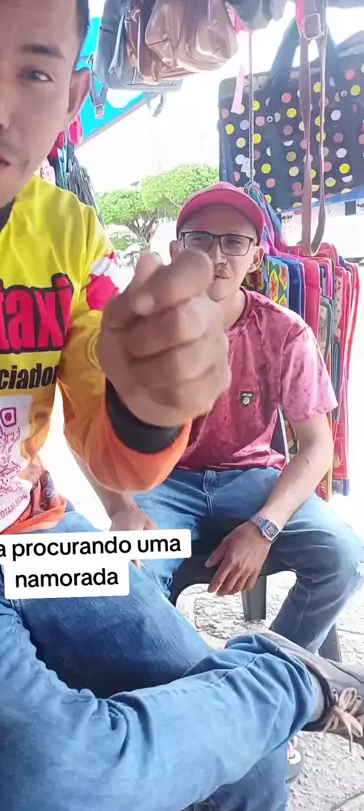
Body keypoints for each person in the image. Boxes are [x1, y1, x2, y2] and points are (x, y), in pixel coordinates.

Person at [0, 0, 363, 811]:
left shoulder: (70, 229)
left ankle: (253, 702)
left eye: (35, 72)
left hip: (40, 539)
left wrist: (149, 408)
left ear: (73, 95)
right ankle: (288, 678)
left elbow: (108, 451)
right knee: (49, 790)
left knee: (249, 765)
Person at [130, 182, 364, 654]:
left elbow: (317, 445)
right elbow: (105, 434)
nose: (217, 256)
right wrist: (123, 507)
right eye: (200, 240)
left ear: (256, 257)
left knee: (344, 557)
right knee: (129, 578)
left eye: (234, 242)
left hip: (251, 477)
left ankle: (269, 670)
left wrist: (264, 526)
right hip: (164, 484)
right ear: (176, 252)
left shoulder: (284, 332)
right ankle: (182, 674)